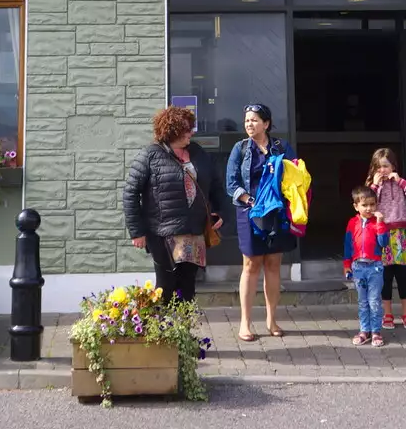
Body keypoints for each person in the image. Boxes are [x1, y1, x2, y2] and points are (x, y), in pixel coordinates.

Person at [121, 106, 227, 303]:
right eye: (187, 129)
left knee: (188, 287)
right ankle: (164, 330)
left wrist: (219, 212)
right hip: (162, 234)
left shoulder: (198, 152)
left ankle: (183, 331)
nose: (191, 132)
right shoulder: (150, 155)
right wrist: (137, 231)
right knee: (166, 287)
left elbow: (215, 185)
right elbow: (130, 193)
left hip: (194, 233)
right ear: (173, 130)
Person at [225, 103, 297, 342]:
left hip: (276, 213)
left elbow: (296, 177)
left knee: (274, 264)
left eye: (254, 120)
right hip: (250, 212)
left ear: (266, 124)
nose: (249, 124)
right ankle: (245, 323)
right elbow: (231, 183)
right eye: (247, 120)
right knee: (251, 265)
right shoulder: (240, 148)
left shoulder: (281, 147)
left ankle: (272, 319)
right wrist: (250, 200)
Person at [366, 147, 406, 329]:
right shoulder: (373, 186)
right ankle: (387, 314)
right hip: (382, 233)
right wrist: (375, 185)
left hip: (400, 234)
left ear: (393, 166)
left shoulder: (400, 183)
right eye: (378, 167)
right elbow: (366, 205)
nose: (382, 170)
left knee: (402, 276)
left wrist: (402, 182)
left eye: (385, 166)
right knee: (385, 277)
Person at [343, 186, 389, 347]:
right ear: (356, 206)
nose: (369, 208)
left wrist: (381, 223)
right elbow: (348, 245)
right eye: (365, 205)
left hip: (375, 267)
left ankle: (376, 331)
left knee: (374, 301)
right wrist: (347, 265)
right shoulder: (352, 223)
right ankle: (364, 331)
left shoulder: (378, 223)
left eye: (372, 204)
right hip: (358, 267)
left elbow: (384, 243)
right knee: (362, 302)